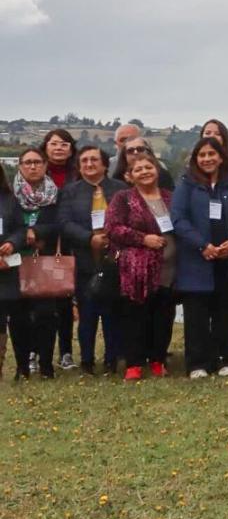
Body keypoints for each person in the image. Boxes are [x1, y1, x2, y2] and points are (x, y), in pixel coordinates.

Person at [171, 137, 228, 378]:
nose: (207, 159)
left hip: (227, 260)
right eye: (202, 155)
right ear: (195, 159)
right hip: (197, 259)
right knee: (196, 314)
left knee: (224, 312)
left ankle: (225, 359)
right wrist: (201, 245)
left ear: (221, 157)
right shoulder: (186, 185)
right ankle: (197, 363)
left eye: (211, 154)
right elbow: (178, 219)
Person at [106, 152, 177, 381]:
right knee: (136, 316)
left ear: (157, 171)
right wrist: (143, 239)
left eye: (149, 167)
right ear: (130, 175)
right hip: (136, 269)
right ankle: (134, 363)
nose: (145, 172)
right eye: (139, 169)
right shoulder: (123, 198)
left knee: (163, 315)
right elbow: (113, 228)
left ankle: (158, 360)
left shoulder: (170, 197)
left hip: (168, 268)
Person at [57, 145, 127, 373]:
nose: (89, 164)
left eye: (94, 160)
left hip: (114, 260)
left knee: (112, 313)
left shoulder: (120, 189)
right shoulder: (70, 191)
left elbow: (128, 218)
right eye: (84, 160)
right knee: (87, 315)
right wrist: (89, 238)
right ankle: (87, 360)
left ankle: (112, 359)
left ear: (105, 164)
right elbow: (65, 223)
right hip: (84, 260)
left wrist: (113, 236)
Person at [13, 147, 62, 378]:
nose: (33, 167)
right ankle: (23, 364)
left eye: (37, 162)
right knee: (20, 316)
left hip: (44, 261)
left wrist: (37, 231)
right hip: (14, 261)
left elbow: (61, 223)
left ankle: (46, 365)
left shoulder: (56, 195)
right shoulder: (9, 195)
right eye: (27, 162)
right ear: (20, 166)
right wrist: (24, 235)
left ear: (45, 165)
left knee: (45, 314)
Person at [41, 129, 78, 367]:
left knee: (64, 296)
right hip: (39, 242)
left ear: (71, 149)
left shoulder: (78, 175)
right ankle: (36, 351)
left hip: (70, 241)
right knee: (39, 298)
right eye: (54, 144)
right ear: (45, 147)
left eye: (64, 144)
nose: (58, 148)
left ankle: (66, 352)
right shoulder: (33, 173)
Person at [0, 163, 33, 379]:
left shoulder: (10, 200)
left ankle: (23, 368)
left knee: (20, 321)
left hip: (10, 270)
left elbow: (21, 229)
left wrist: (12, 243)